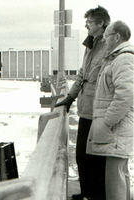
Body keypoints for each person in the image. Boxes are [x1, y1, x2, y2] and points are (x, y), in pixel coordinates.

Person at [55, 6, 110, 200]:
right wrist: (69, 98)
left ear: (101, 24)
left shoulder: (109, 46)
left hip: (100, 111)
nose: (86, 24)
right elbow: (82, 74)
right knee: (82, 156)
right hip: (85, 110)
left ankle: (96, 195)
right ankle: (87, 193)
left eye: (90, 22)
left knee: (96, 159)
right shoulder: (90, 44)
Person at [86, 20, 134, 200]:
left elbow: (125, 95)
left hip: (116, 130)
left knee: (115, 180)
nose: (105, 40)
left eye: (107, 37)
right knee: (120, 175)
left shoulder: (124, 58)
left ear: (117, 37)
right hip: (116, 130)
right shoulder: (117, 57)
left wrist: (107, 122)